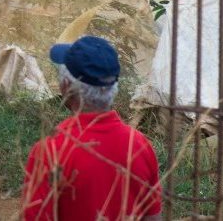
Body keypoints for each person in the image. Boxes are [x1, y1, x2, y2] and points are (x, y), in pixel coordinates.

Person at [22, 35, 163, 221]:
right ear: (114, 88)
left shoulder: (50, 151)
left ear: (65, 86)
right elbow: (153, 217)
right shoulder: (140, 146)